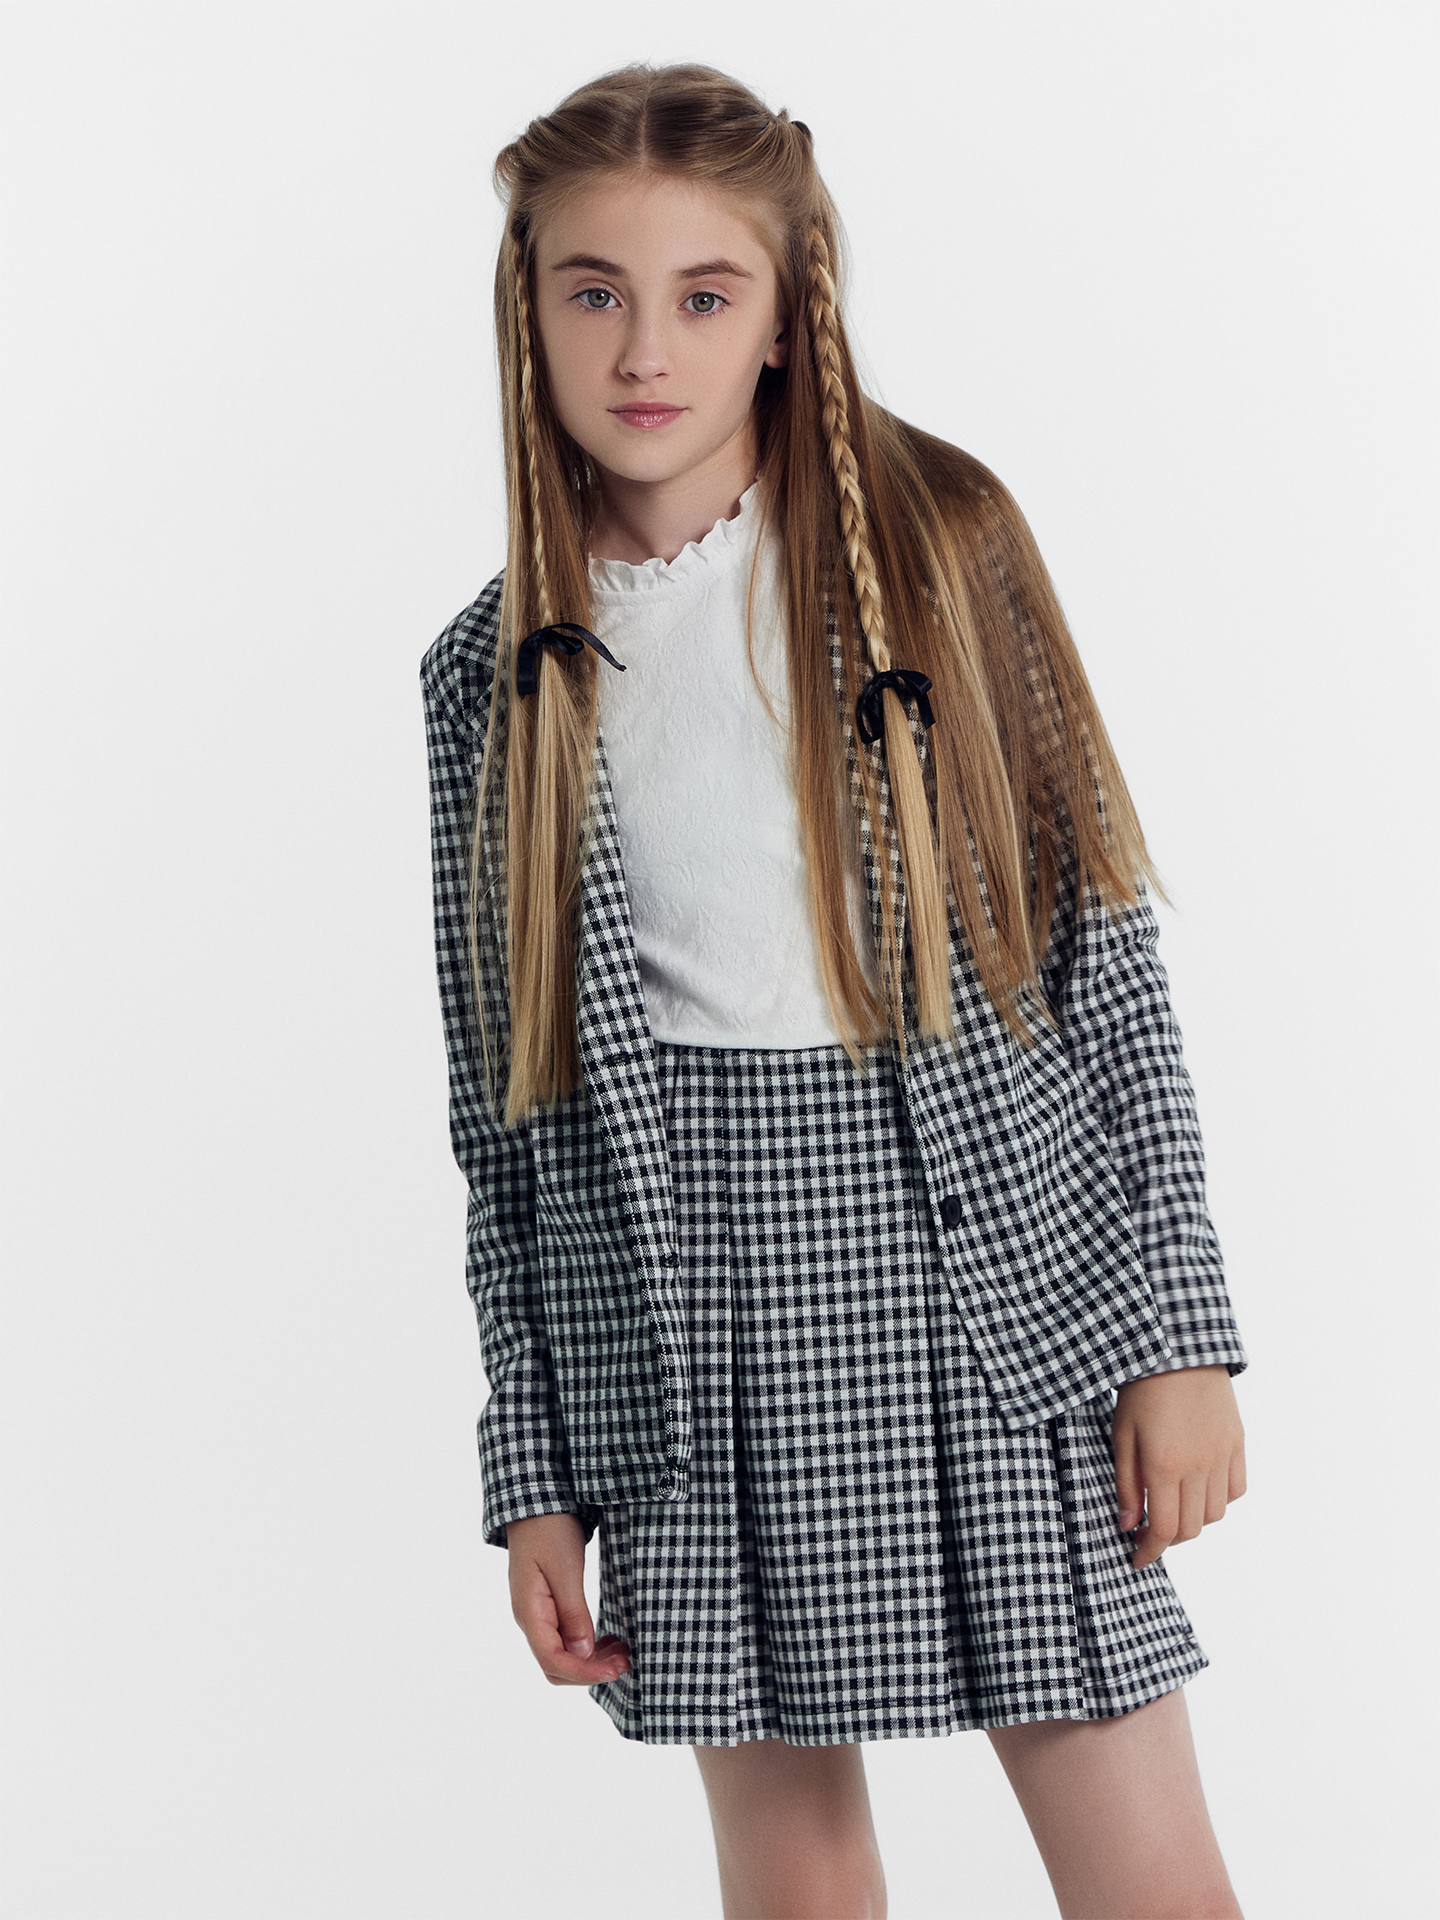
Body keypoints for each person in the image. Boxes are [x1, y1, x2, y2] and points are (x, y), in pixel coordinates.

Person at [420, 60, 1250, 1920]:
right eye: (594, 291)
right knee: (793, 1880)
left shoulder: (939, 552)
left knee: (1147, 1874)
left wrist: (1178, 1333)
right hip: (689, 1322)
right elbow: (503, 1123)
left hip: (991, 1280)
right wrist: (531, 1470)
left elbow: (1101, 958)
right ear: (528, 310)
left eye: (705, 294)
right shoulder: (489, 677)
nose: (647, 348)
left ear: (788, 315)